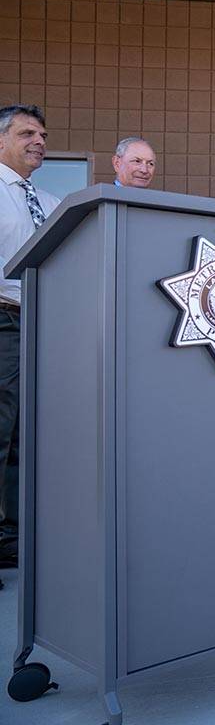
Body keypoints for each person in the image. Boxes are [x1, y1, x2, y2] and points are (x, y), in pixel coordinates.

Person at [0, 105, 62, 570]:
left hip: (45, 324)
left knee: (26, 433)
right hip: (4, 320)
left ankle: (13, 538)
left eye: (42, 133)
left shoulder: (49, 199)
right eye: (26, 133)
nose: (38, 140)